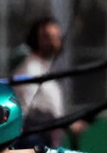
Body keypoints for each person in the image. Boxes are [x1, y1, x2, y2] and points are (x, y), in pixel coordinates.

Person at [16, 17, 84, 146]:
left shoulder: (45, 68)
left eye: (56, 37)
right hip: (33, 141)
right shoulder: (31, 70)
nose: (54, 42)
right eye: (48, 37)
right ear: (36, 40)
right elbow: (27, 112)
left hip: (48, 139)